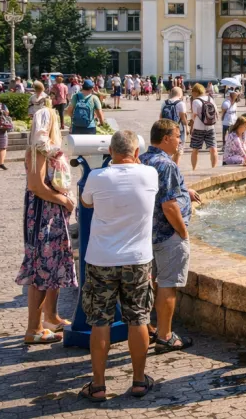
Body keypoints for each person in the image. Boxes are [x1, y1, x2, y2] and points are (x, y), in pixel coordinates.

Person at [79, 130, 158, 402]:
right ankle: (138, 380)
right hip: (137, 260)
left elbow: (86, 202)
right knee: (138, 318)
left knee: (99, 321)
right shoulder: (150, 174)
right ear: (137, 153)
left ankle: (98, 386)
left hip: (101, 259)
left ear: (110, 151)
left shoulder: (96, 177)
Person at [16, 104, 76, 345]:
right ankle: (33, 328)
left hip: (52, 213)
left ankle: (50, 317)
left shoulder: (48, 150)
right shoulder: (38, 150)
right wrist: (64, 200)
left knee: (54, 266)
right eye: (54, 122)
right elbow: (36, 186)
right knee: (41, 269)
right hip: (44, 215)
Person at [142, 119, 200, 354]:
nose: (180, 140)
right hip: (167, 234)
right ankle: (166, 336)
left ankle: (149, 328)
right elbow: (169, 206)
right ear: (165, 138)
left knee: (150, 283)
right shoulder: (166, 164)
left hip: (148, 233)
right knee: (167, 284)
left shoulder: (143, 159)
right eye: (177, 136)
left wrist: (186, 191)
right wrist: (183, 232)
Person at [189, 82, 218, 170]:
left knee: (195, 150)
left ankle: (194, 169)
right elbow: (216, 112)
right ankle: (214, 169)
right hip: (211, 127)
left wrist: (191, 127)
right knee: (213, 149)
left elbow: (194, 116)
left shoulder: (195, 101)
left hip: (198, 128)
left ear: (195, 92)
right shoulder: (210, 98)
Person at [160, 86, 190, 166]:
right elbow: (183, 119)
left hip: (166, 129)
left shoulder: (164, 103)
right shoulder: (181, 103)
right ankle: (175, 168)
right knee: (178, 151)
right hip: (178, 130)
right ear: (180, 94)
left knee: (167, 150)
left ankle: (167, 166)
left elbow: (160, 117)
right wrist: (187, 128)